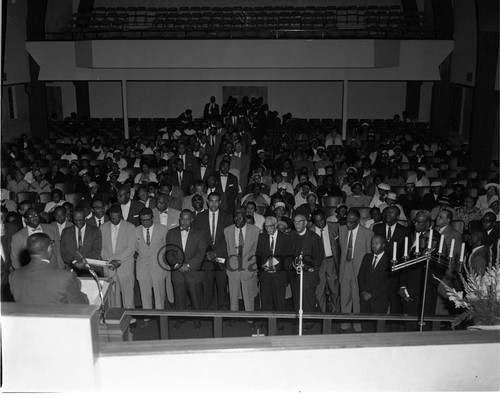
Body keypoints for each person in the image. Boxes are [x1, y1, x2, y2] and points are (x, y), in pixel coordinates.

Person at [9, 233, 89, 304]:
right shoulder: (65, 276)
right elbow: (80, 305)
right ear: (49, 249)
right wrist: (76, 286)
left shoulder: (13, 276)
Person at [399, 210, 441, 331]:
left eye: (420, 222)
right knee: (409, 327)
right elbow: (405, 263)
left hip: (422, 294)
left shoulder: (435, 239)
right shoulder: (411, 235)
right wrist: (403, 286)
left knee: (422, 328)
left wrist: (409, 292)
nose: (416, 225)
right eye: (415, 221)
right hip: (408, 291)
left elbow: (432, 275)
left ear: (428, 223)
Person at [166, 210, 207, 328]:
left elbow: (201, 252)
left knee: (196, 298)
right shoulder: (171, 233)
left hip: (193, 271)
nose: (185, 221)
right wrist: (178, 266)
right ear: (179, 219)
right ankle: (180, 318)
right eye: (183, 219)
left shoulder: (199, 233)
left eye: (188, 219)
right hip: (177, 272)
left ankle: (197, 319)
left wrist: (188, 265)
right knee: (179, 298)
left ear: (192, 219)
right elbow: (169, 252)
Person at [193, 191, 233, 310]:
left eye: (216, 201)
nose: (214, 203)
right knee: (207, 285)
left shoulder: (227, 216)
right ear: (207, 202)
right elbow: (198, 237)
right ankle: (206, 309)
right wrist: (207, 252)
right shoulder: (200, 217)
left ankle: (223, 308)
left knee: (222, 284)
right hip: (206, 258)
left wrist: (217, 253)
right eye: (211, 201)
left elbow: (228, 237)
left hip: (221, 256)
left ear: (220, 202)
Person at [338, 209, 374, 332]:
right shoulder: (342, 230)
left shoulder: (367, 233)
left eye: (351, 222)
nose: (348, 224)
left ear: (358, 221)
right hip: (345, 267)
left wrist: (368, 274)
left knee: (357, 297)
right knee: (345, 296)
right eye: (347, 221)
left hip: (359, 269)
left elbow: (369, 255)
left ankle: (358, 325)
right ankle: (345, 324)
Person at [373, 205, 411, 316]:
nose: (388, 214)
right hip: (380, 269)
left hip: (396, 270)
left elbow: (406, 252)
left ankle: (394, 325)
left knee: (394, 302)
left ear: (398, 216)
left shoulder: (404, 231)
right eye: (387, 211)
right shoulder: (377, 228)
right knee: (379, 299)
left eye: (392, 212)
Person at [100, 205, 137, 309]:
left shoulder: (130, 227)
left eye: (116, 218)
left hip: (124, 266)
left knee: (128, 294)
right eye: (112, 218)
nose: (114, 220)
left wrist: (117, 260)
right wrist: (110, 260)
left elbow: (131, 248)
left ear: (121, 215)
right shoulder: (103, 227)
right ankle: (116, 318)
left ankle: (131, 319)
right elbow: (101, 247)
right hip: (109, 266)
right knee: (113, 296)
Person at [224, 208, 260, 312]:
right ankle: (233, 317)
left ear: (245, 218)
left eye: (240, 217)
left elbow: (256, 250)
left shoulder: (255, 230)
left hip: (248, 267)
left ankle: (250, 318)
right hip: (233, 267)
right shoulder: (227, 230)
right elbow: (227, 249)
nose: (237, 219)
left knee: (249, 295)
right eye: (236, 217)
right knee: (233, 295)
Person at [256, 216, 292, 312]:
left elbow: (288, 257)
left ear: (275, 225)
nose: (267, 229)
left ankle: (280, 323)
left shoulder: (285, 238)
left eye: (270, 226)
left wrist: (277, 267)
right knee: (266, 301)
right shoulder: (262, 237)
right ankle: (266, 322)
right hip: (265, 275)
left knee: (279, 301)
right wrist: (261, 266)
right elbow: (258, 254)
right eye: (266, 226)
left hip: (279, 275)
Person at [135, 208, 169, 310]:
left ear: (152, 218)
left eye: (148, 220)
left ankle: (160, 315)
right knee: (145, 294)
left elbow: (167, 246)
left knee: (159, 294)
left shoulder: (163, 229)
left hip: (158, 266)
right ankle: (147, 316)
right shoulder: (136, 230)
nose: (145, 223)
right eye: (143, 220)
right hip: (142, 267)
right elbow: (136, 247)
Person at [289, 213, 323, 316]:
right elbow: (288, 254)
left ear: (306, 223)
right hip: (295, 274)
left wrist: (308, 266)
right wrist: (292, 264)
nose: (297, 224)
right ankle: (298, 318)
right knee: (296, 298)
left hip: (308, 275)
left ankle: (309, 321)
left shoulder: (314, 238)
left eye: (300, 222)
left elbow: (319, 257)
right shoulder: (292, 235)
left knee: (308, 299)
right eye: (295, 222)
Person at [357, 235, 391, 332]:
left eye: (377, 243)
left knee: (378, 328)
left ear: (383, 245)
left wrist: (372, 294)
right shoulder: (367, 257)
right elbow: (360, 276)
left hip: (379, 300)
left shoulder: (389, 260)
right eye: (372, 243)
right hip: (365, 299)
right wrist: (363, 291)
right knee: (366, 326)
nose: (373, 245)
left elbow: (388, 282)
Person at [311, 210, 340, 313]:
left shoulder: (335, 227)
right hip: (318, 264)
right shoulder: (310, 230)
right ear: (314, 222)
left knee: (334, 290)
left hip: (331, 261)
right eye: (317, 222)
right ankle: (322, 315)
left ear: (325, 218)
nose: (320, 223)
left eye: (322, 220)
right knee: (319, 292)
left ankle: (335, 314)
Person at [60, 207, 102, 272]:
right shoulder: (66, 232)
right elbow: (64, 251)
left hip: (90, 268)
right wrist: (74, 262)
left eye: (80, 220)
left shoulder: (95, 231)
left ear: (85, 218)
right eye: (75, 220)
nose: (78, 222)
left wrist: (85, 262)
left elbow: (97, 250)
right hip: (72, 268)